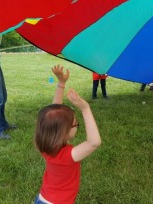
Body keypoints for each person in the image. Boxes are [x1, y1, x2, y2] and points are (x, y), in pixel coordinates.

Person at [34, 65, 101, 204]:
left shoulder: (45, 147)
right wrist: (85, 109)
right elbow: (94, 142)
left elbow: (54, 113)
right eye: (76, 123)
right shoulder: (67, 156)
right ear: (63, 131)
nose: (77, 125)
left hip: (43, 198)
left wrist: (61, 83)